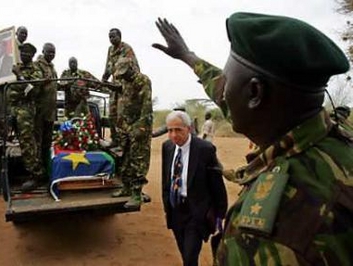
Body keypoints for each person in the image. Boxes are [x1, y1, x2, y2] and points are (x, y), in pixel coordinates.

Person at [153, 13, 353, 265]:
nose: (222, 93)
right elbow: (227, 95)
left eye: (227, 81)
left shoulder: (265, 233)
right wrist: (188, 56)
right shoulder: (337, 138)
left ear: (255, 93)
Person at [161, 110, 227, 266]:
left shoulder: (205, 149)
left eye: (178, 130)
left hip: (196, 212)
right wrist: (167, 206)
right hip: (175, 209)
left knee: (190, 256)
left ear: (188, 129)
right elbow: (166, 179)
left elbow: (216, 183)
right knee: (185, 254)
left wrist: (220, 214)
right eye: (170, 130)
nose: (174, 135)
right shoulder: (167, 147)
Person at [110, 57, 152, 208]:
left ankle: (136, 194)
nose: (123, 76)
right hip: (126, 128)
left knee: (138, 160)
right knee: (126, 159)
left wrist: (140, 128)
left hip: (139, 127)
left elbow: (146, 107)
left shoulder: (142, 80)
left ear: (131, 68)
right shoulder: (124, 81)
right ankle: (126, 188)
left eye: (124, 72)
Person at [8, 43, 45, 192]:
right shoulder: (15, 66)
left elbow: (32, 91)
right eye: (22, 53)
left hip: (26, 109)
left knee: (28, 143)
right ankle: (30, 172)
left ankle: (37, 175)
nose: (23, 56)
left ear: (32, 56)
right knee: (20, 143)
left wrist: (20, 76)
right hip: (14, 108)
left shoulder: (35, 71)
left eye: (27, 54)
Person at [101, 28, 140, 146]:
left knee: (122, 115)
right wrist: (104, 78)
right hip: (114, 85)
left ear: (120, 36)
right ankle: (115, 140)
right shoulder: (110, 50)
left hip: (125, 86)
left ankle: (124, 143)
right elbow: (108, 66)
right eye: (110, 37)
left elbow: (132, 69)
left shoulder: (126, 49)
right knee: (111, 114)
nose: (112, 39)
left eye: (114, 36)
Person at [33, 42, 58, 191]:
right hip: (40, 112)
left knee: (46, 144)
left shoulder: (52, 67)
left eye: (53, 52)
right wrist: (43, 82)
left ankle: (46, 171)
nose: (51, 55)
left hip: (50, 111)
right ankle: (37, 174)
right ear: (43, 51)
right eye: (49, 52)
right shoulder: (38, 65)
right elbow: (34, 84)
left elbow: (54, 86)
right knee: (37, 143)